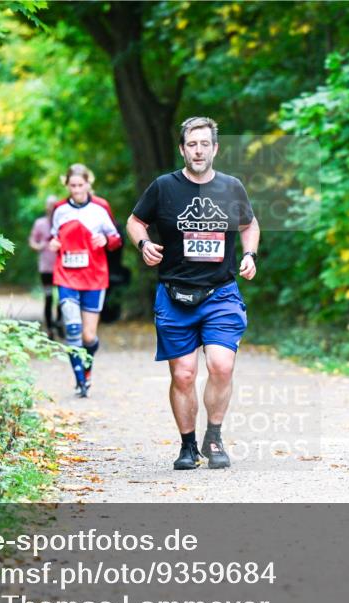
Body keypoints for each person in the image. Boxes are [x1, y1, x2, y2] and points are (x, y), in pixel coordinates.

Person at [126, 117, 260, 471]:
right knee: (183, 374)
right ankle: (188, 446)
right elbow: (135, 221)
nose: (198, 151)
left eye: (204, 144)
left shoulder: (231, 187)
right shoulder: (163, 187)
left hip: (221, 293)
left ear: (215, 148)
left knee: (221, 365)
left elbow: (249, 224)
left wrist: (250, 254)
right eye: (191, 144)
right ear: (182, 149)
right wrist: (143, 244)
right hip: (175, 295)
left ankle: (213, 437)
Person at [49, 164, 122, 397]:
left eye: (81, 185)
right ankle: (80, 381)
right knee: (72, 328)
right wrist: (53, 244)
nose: (77, 190)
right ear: (67, 185)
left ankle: (87, 371)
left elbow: (116, 239)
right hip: (66, 275)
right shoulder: (60, 209)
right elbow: (53, 236)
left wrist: (106, 241)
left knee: (88, 336)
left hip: (94, 276)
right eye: (72, 185)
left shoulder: (101, 207)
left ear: (89, 183)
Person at [28, 194, 60, 339]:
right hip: (46, 267)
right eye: (49, 205)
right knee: (48, 298)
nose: (51, 208)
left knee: (63, 299)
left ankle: (59, 323)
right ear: (46, 207)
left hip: (61, 268)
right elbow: (32, 241)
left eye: (54, 205)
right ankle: (50, 328)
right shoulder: (39, 223)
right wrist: (38, 246)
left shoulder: (62, 222)